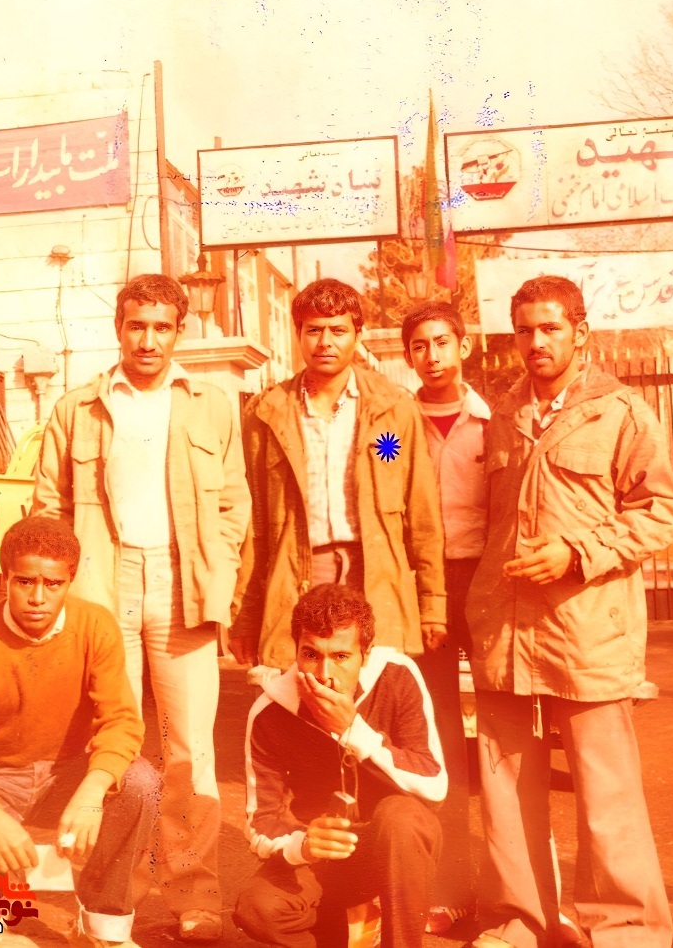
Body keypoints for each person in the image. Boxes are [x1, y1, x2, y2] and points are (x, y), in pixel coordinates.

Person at [464, 275, 673, 948]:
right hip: (506, 632)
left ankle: (625, 928)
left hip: (587, 630)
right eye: (524, 330)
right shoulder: (501, 414)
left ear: (580, 332)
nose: (536, 341)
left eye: (550, 327)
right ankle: (520, 919)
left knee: (604, 789)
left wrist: (577, 552)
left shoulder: (621, 412)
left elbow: (662, 511)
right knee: (505, 788)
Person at [32, 273, 251, 942]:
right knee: (111, 745)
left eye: (161, 327)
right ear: (119, 329)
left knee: (189, 750)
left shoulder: (211, 405)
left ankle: (194, 894)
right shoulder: (78, 407)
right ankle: (104, 897)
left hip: (183, 584)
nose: (148, 340)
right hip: (103, 582)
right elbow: (48, 508)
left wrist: (220, 575)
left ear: (180, 331)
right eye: (136, 325)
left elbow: (233, 504)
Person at [0, 517, 157, 948]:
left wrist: (92, 789)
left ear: (70, 581)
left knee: (139, 782)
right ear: (5, 577)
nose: (38, 597)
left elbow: (121, 721)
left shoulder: (96, 625)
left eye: (53, 584)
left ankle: (103, 928)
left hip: (66, 773)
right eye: (25, 581)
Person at [231, 278, 446, 672]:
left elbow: (422, 515)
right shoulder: (267, 414)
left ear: (357, 335)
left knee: (375, 685)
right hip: (298, 573)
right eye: (314, 330)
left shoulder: (393, 410)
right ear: (298, 334)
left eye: (338, 330)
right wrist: (244, 617)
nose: (325, 342)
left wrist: (433, 605)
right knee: (303, 686)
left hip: (373, 572)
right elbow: (252, 528)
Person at [233, 583, 446, 948]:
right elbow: (261, 821)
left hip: (395, 853)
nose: (324, 674)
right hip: (325, 856)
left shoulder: (397, 676)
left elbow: (435, 784)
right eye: (310, 654)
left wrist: (353, 731)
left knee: (400, 816)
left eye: (341, 656)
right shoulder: (269, 712)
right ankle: (351, 930)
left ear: (366, 654)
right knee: (258, 907)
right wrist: (304, 844)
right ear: (296, 650)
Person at [402, 301, 490, 932]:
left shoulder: (494, 422)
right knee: (435, 737)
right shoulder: (394, 428)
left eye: (441, 342)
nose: (431, 356)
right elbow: (385, 486)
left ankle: (522, 892)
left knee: (506, 735)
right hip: (422, 588)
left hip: (485, 584)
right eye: (419, 345)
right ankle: (449, 884)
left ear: (463, 346)